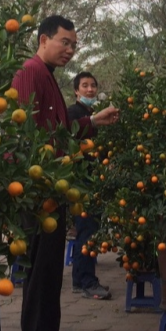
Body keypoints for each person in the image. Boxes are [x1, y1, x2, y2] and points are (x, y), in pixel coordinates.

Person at [12, 16, 120, 331]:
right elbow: (29, 132)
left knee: (49, 277)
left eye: (74, 44)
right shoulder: (30, 72)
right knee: (40, 278)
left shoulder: (47, 76)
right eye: (65, 42)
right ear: (44, 39)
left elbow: (58, 130)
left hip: (53, 189)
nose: (71, 50)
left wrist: (94, 122)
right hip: (39, 191)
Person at [66, 71, 111, 300]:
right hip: (82, 182)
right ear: (76, 91)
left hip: (94, 180)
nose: (90, 89)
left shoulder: (92, 113)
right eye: (85, 85)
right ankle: (85, 281)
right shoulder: (74, 113)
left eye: (93, 85)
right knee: (87, 232)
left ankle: (81, 280)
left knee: (89, 231)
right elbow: (70, 132)